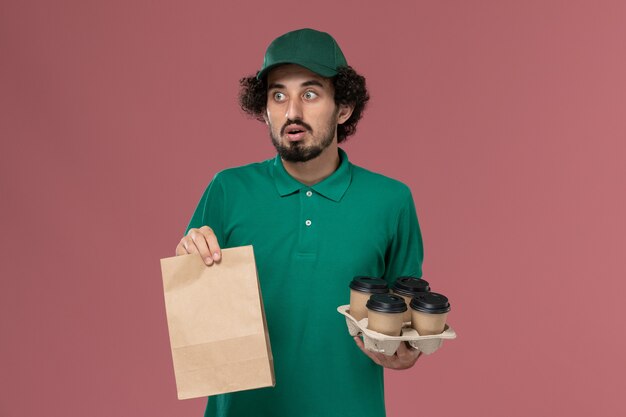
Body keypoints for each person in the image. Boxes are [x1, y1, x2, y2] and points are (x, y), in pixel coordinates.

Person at [176, 28, 424, 417]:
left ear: (343, 108)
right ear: (264, 108)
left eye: (310, 94)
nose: (292, 112)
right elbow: (197, 316)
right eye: (279, 95)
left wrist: (407, 354)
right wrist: (188, 262)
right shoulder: (227, 189)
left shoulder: (391, 201)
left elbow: (406, 325)